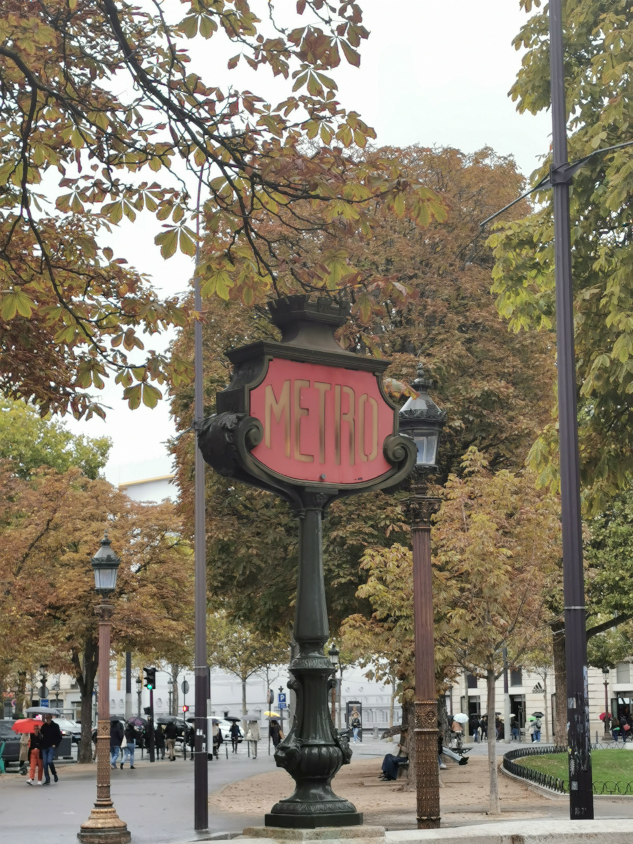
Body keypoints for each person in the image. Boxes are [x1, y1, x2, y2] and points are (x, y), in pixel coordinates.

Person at [40, 713, 62, 785]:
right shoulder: (44, 726)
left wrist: (55, 744)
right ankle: (47, 779)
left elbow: (59, 736)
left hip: (51, 746)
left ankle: (54, 774)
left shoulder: (55, 726)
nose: (47, 719)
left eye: (48, 717)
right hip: (44, 746)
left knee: (49, 761)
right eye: (46, 718)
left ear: (51, 718)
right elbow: (41, 735)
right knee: (45, 763)